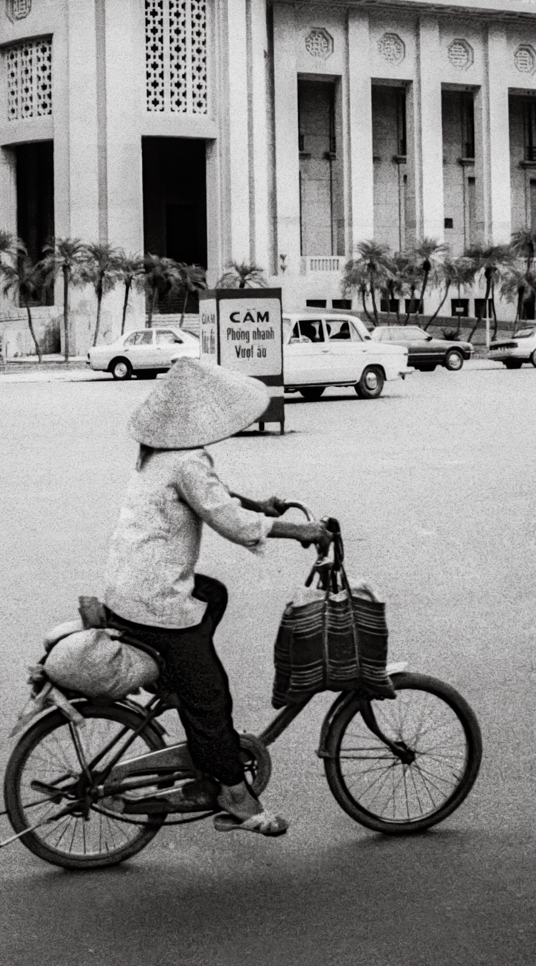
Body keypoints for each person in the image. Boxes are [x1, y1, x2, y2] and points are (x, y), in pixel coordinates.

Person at [102, 358, 328, 838]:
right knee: (212, 695)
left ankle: (180, 676)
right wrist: (298, 529)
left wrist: (258, 504)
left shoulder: (158, 453)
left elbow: (215, 496)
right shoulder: (187, 459)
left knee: (213, 593)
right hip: (153, 601)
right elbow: (229, 521)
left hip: (127, 589)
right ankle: (234, 793)